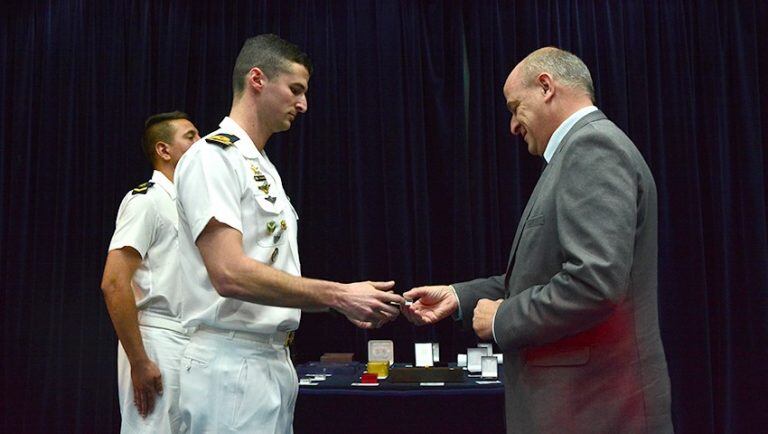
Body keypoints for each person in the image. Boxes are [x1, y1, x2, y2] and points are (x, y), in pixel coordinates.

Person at [401, 47, 673, 433]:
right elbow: (545, 275)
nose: (513, 124)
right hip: (584, 408)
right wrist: (459, 296)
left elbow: (593, 284)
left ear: (546, 86)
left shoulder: (592, 147)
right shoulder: (574, 152)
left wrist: (502, 319)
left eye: (515, 107)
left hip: (596, 411)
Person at [174, 34, 404, 434]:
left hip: (270, 361)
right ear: (257, 79)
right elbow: (228, 273)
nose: (303, 105)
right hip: (230, 363)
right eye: (295, 90)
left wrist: (345, 300)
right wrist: (339, 295)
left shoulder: (260, 165)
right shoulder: (213, 157)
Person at [101, 111, 200, 433]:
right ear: (164, 150)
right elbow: (114, 283)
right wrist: (139, 361)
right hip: (157, 338)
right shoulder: (146, 201)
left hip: (192, 339)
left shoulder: (190, 205)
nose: (200, 143)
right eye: (191, 136)